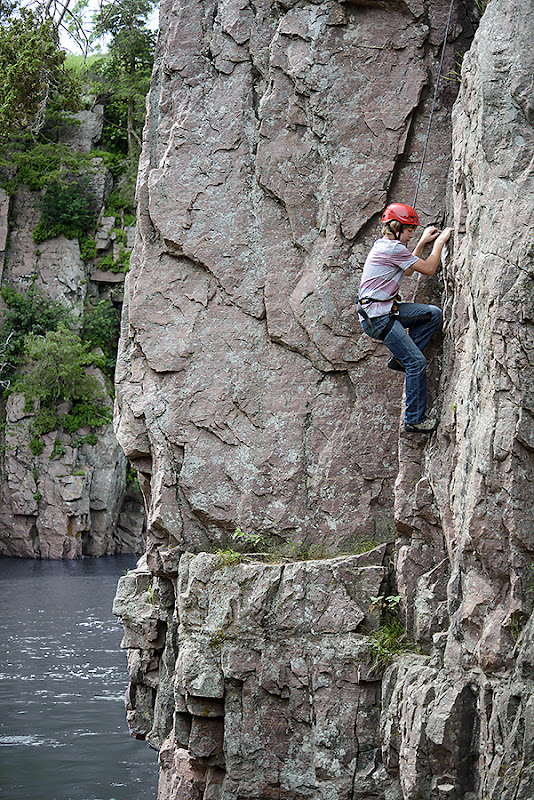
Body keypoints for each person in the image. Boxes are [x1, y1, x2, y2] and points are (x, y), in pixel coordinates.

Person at [358, 202, 453, 434]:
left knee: (432, 314)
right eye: (410, 230)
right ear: (396, 227)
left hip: (382, 312)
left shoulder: (386, 245)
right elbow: (429, 269)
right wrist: (440, 242)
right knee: (417, 362)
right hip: (379, 318)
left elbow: (408, 269)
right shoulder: (392, 249)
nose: (412, 234)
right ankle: (414, 419)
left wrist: (421, 242)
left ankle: (400, 359)